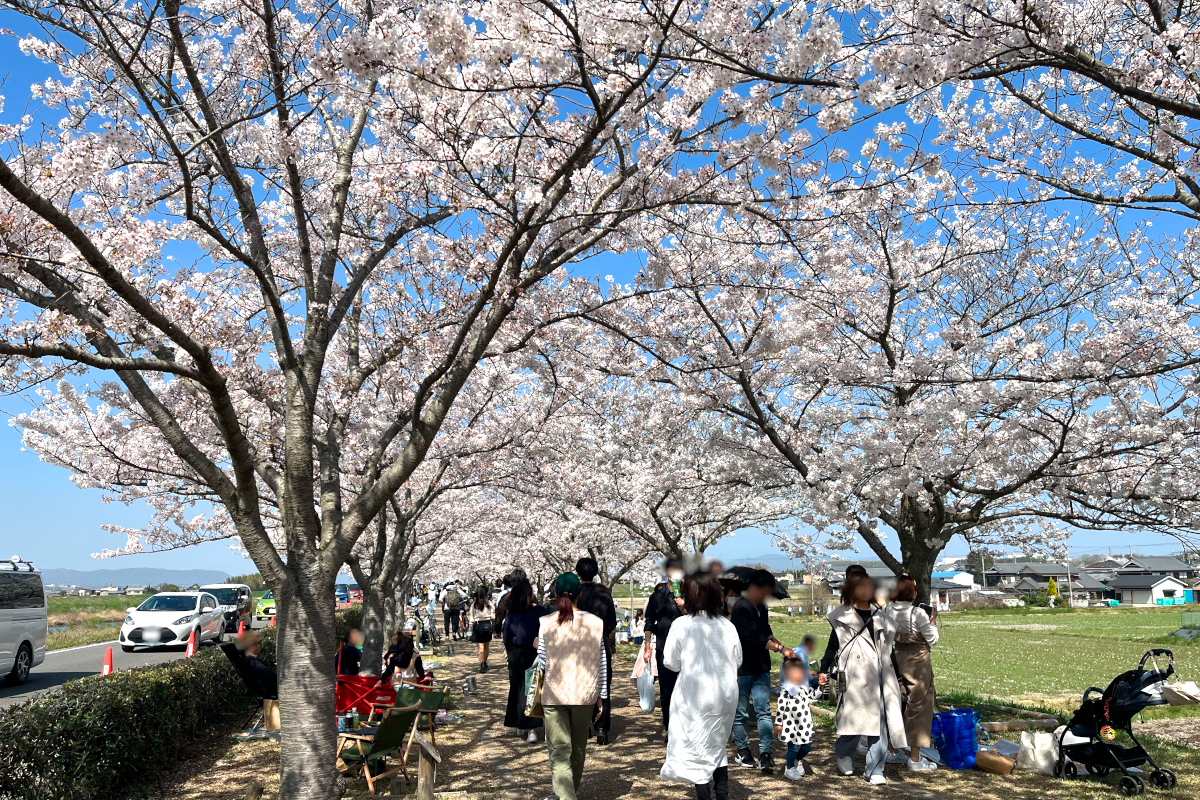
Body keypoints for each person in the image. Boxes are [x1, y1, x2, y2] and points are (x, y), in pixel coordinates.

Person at [818, 572, 907, 785]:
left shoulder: (882, 616)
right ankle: (844, 753)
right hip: (855, 674)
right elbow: (833, 646)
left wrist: (898, 675)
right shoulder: (841, 616)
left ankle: (875, 769)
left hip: (881, 674)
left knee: (881, 723)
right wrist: (823, 670)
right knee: (855, 722)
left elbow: (889, 649)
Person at [659, 571, 742, 800]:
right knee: (717, 743)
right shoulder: (727, 625)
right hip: (724, 694)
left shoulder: (681, 624)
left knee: (697, 745)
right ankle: (722, 793)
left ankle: (705, 795)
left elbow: (671, 663)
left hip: (694, 695)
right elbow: (738, 660)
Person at [537, 573, 608, 800]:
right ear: (581, 593)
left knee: (559, 752)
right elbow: (602, 661)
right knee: (577, 751)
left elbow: (542, 661)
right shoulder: (596, 623)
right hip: (584, 693)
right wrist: (602, 695)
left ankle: (566, 796)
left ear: (556, 594)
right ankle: (570, 793)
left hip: (554, 693)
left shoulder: (547, 623)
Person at [730, 569, 793, 774]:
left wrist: (777, 642)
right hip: (742, 669)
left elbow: (764, 631)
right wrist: (779, 648)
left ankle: (766, 754)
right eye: (764, 591)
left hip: (761, 667)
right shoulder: (741, 607)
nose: (766, 596)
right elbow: (751, 638)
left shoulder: (761, 607)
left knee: (764, 711)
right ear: (754, 588)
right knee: (740, 713)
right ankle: (744, 750)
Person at [885, 575, 940, 771]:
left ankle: (892, 750)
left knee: (896, 704)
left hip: (897, 657)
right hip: (918, 661)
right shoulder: (917, 614)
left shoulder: (888, 610)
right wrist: (933, 619)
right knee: (919, 706)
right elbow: (932, 639)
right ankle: (915, 759)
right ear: (913, 593)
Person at [575, 557, 618, 745]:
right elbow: (612, 623)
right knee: (603, 685)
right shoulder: (604, 593)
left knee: (581, 684)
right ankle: (601, 728)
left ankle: (584, 726)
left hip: (577, 646)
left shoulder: (575, 594)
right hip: (601, 644)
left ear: (578, 573)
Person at [503, 578, 547, 742]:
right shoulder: (540, 612)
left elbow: (507, 637)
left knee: (519, 688)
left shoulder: (512, 614)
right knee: (534, 689)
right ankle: (532, 729)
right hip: (536, 652)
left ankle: (523, 725)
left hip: (517, 654)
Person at [643, 564, 685, 734]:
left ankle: (684, 726)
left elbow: (698, 617)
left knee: (686, 689)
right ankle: (668, 725)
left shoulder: (689, 594)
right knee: (666, 689)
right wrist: (647, 646)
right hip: (664, 647)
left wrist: (684, 606)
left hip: (687, 648)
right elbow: (649, 622)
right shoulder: (657, 597)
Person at [775, 658, 819, 780]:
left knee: (807, 746)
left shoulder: (804, 687)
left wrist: (820, 687)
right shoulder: (786, 689)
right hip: (791, 725)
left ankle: (797, 760)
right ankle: (789, 768)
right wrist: (779, 724)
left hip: (804, 723)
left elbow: (814, 697)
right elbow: (781, 707)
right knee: (793, 747)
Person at [235, 630, 278, 698]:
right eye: (258, 643)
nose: (259, 645)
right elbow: (271, 675)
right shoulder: (252, 662)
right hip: (273, 692)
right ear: (251, 645)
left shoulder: (247, 661)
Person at [468, 584, 496, 673]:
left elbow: (471, 619)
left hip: (478, 625)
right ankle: (485, 661)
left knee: (480, 647)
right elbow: (493, 616)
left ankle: (482, 663)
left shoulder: (474, 605)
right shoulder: (489, 603)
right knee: (487, 645)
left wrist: (470, 629)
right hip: (487, 625)